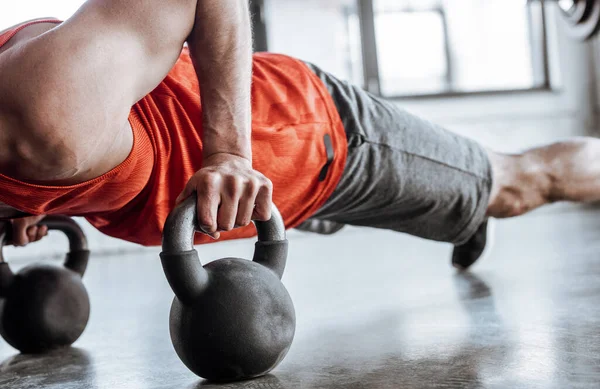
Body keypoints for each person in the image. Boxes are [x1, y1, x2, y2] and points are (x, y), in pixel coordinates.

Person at [1, 1, 599, 270]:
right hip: (264, 202)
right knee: (465, 199)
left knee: (517, 184)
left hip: (314, 139)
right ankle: (459, 211)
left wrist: (231, 153)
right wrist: (42, 206)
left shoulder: (45, 106)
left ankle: (474, 201)